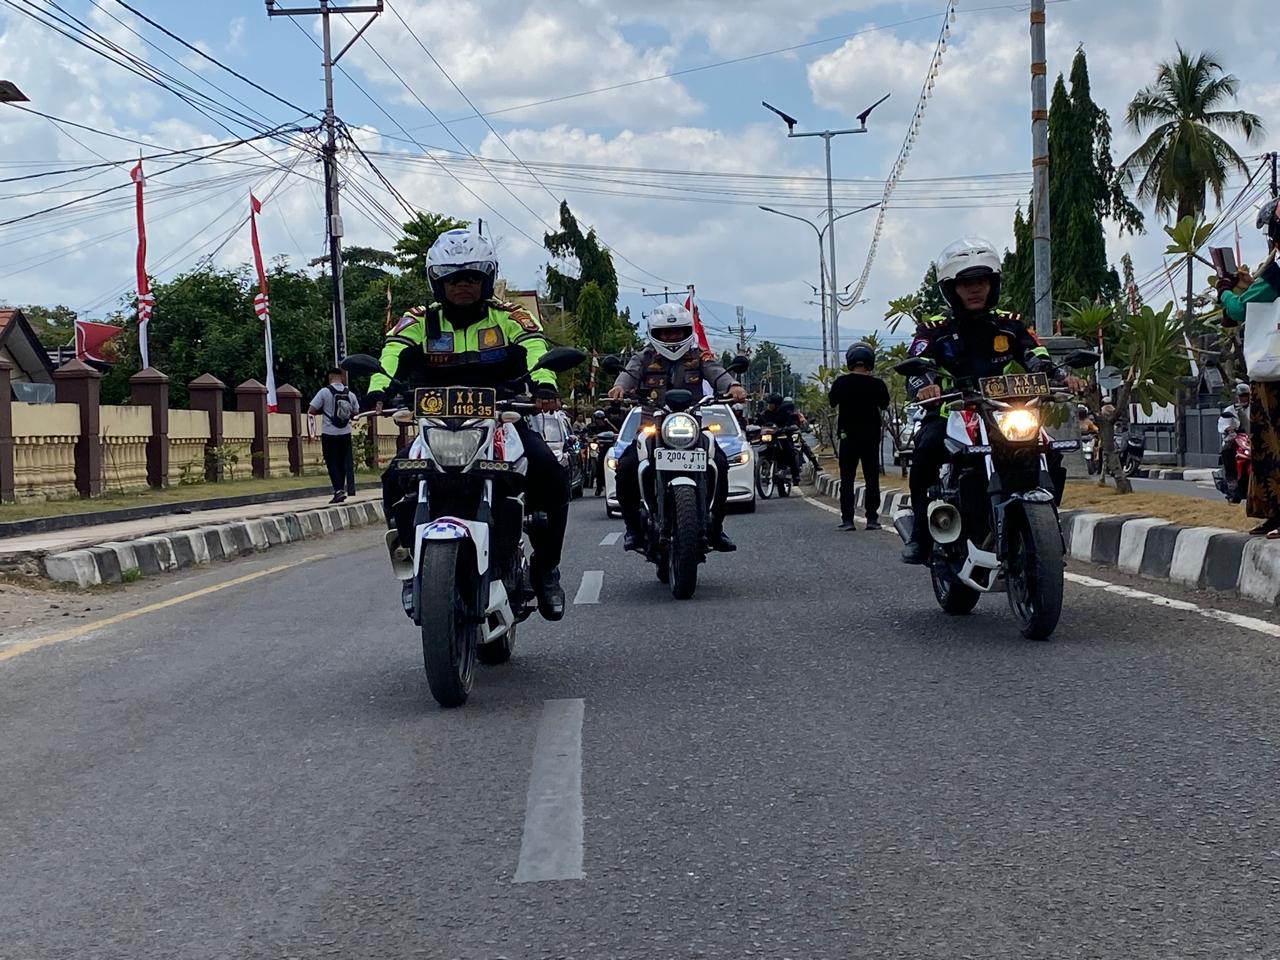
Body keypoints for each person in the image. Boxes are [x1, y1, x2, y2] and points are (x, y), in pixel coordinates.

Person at [365, 227, 569, 620]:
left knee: (550, 472)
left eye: (472, 277)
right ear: (437, 282)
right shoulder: (418, 321)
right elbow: (391, 354)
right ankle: (411, 566)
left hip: (502, 421)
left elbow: (534, 348)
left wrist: (544, 384)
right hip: (435, 426)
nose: (463, 285)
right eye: (453, 278)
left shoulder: (510, 317)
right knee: (394, 478)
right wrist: (377, 390)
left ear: (487, 280)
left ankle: (546, 569)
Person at [902, 237, 1086, 565]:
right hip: (954, 412)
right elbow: (917, 366)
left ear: (993, 284)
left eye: (982, 281)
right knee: (926, 448)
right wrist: (925, 386)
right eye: (966, 283)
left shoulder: (1010, 324)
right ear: (951, 289)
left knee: (1049, 450)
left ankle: (1041, 526)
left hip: (1004, 411)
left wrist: (1062, 376)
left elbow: (1037, 356)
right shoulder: (934, 330)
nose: (975, 289)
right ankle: (921, 534)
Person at [607, 303, 748, 552]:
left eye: (677, 331)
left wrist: (732, 386)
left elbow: (716, 372)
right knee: (626, 466)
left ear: (686, 331)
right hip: (652, 426)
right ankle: (633, 529)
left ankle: (716, 528)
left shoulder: (699, 356)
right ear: (655, 333)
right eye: (665, 332)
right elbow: (629, 373)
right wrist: (619, 387)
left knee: (720, 463)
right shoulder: (644, 357)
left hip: (692, 426)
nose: (672, 337)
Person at [1217, 199, 1280, 536]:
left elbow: (1238, 309)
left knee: (1270, 444)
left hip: (1273, 375)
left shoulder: (1277, 273)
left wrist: (1225, 291)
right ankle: (1275, 514)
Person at [829, 342, 890, 531]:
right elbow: (885, 404)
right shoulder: (878, 384)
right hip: (870, 437)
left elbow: (832, 402)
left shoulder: (841, 383)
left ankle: (848, 520)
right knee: (872, 478)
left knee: (847, 479)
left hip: (848, 437)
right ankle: (872, 519)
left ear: (850, 361)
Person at [307, 368, 359, 504]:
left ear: (330, 378)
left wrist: (321, 414)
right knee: (341, 462)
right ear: (342, 378)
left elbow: (311, 410)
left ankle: (338, 490)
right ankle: (340, 489)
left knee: (331, 462)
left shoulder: (324, 392)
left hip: (329, 433)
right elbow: (356, 413)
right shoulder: (350, 394)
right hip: (345, 433)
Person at [1218, 383, 1251, 490]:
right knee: (1227, 450)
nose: (1244, 398)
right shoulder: (1229, 410)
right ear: (1237, 396)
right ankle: (1231, 478)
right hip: (1234, 437)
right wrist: (1229, 429)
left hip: (1250, 437)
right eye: (1242, 396)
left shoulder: (1255, 408)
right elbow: (1223, 424)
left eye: (1246, 395)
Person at [583, 409, 617, 496]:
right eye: (598, 419)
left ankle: (604, 486)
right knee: (597, 466)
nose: (599, 421)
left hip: (605, 448)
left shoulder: (607, 426)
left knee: (603, 465)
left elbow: (615, 432)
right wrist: (587, 438)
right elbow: (584, 434)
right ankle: (598, 487)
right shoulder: (591, 426)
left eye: (601, 418)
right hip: (594, 447)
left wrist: (609, 423)